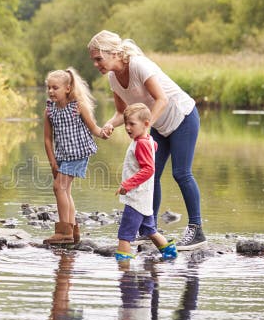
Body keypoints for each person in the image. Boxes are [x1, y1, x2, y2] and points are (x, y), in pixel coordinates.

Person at [88, 29, 206, 250]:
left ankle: (196, 230)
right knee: (150, 174)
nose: (96, 64)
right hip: (156, 125)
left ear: (113, 53)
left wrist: (145, 127)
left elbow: (162, 99)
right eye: (93, 60)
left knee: (181, 173)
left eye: (98, 59)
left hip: (183, 117)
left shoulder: (138, 65)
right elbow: (122, 113)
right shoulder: (114, 79)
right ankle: (147, 227)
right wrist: (109, 125)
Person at [43, 68, 106, 245]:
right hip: (62, 155)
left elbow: (94, 128)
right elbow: (47, 139)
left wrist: (104, 132)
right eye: (49, 87)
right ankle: (72, 230)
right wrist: (52, 162)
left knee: (59, 188)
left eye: (55, 88)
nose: (51, 91)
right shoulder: (50, 110)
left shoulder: (77, 107)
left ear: (68, 88)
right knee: (65, 190)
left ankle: (64, 232)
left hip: (78, 153)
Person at [115, 103, 176, 261]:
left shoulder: (141, 143)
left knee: (125, 235)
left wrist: (127, 185)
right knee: (149, 230)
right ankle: (170, 253)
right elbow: (154, 147)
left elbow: (148, 169)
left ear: (146, 124)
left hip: (136, 198)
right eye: (126, 123)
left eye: (132, 124)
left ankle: (124, 271)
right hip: (145, 198)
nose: (127, 127)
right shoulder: (148, 139)